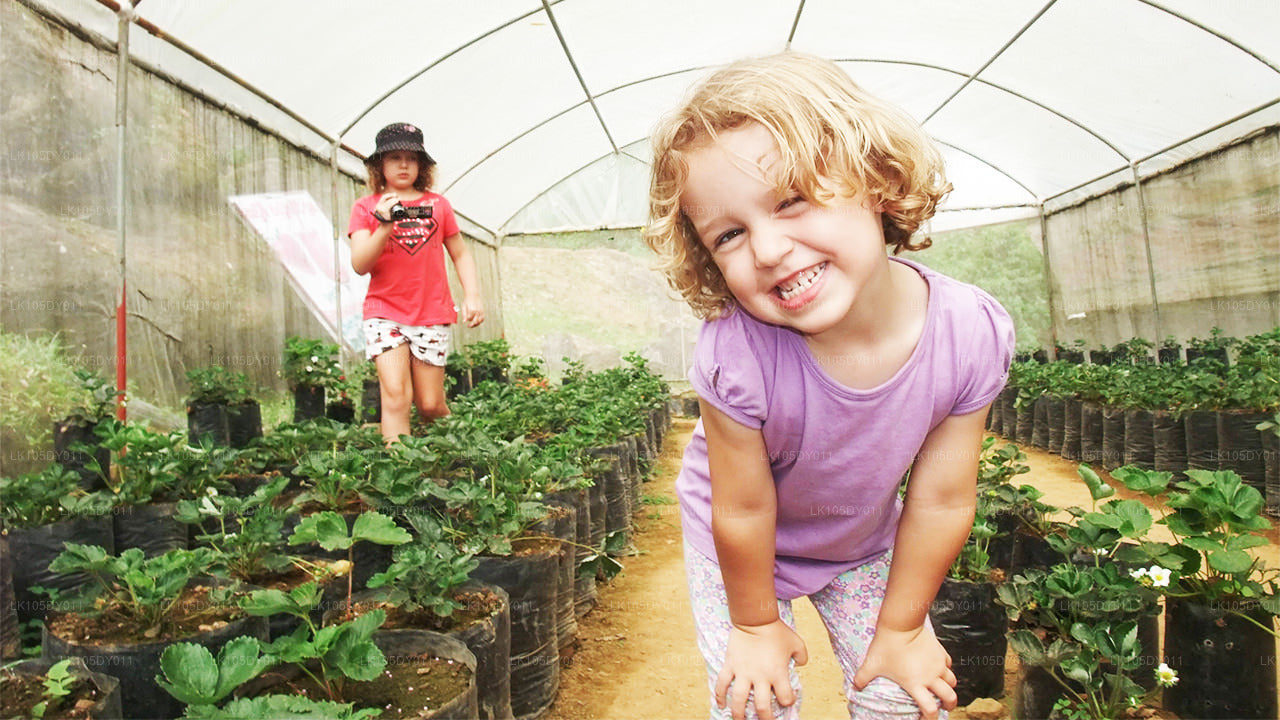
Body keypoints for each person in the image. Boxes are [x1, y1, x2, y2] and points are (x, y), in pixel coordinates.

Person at [643, 52, 1014, 720]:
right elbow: (742, 509)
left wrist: (902, 629)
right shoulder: (738, 351)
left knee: (902, 697)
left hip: (859, 544)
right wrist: (755, 624)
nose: (767, 250)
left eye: (791, 200)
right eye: (730, 234)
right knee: (754, 701)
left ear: (877, 180)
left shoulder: (968, 333)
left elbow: (941, 498)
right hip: (736, 547)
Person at [348, 122, 484, 444]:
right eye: (394, 157)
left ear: (422, 164)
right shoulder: (365, 208)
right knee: (396, 395)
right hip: (384, 314)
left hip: (431, 313)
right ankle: (398, 469)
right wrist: (384, 224)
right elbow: (359, 264)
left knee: (430, 405)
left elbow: (460, 253)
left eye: (411, 158)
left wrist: (473, 295)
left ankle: (466, 449)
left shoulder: (439, 205)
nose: (404, 165)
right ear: (380, 165)